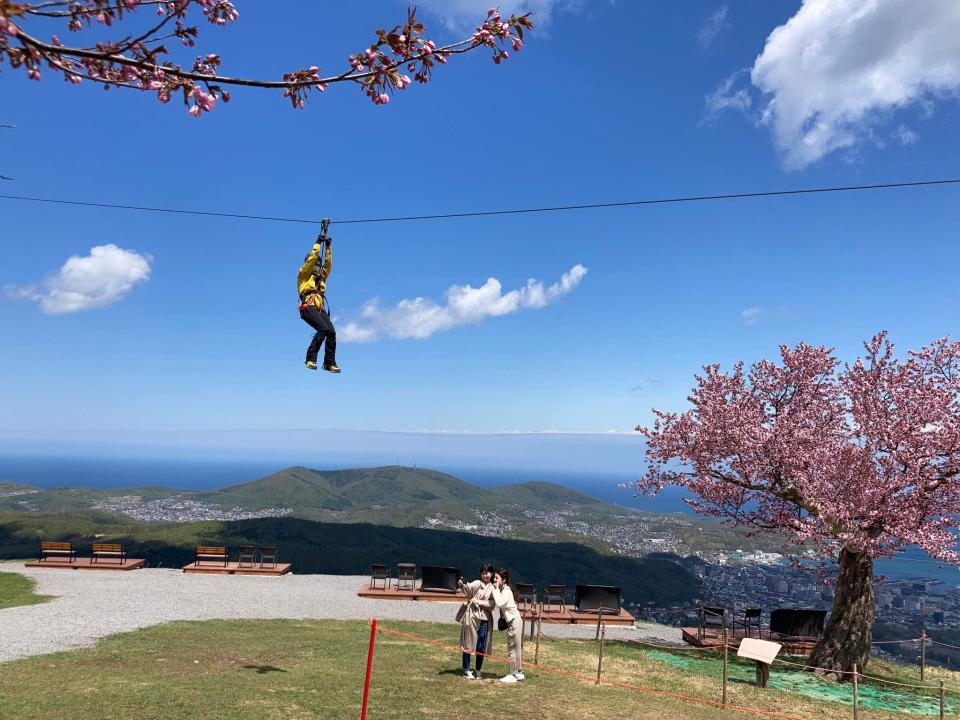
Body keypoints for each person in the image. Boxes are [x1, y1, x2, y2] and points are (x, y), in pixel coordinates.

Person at [298, 227, 340, 373]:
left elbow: (328, 265)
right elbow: (311, 260)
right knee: (323, 329)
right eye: (315, 264)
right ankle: (310, 358)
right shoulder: (304, 275)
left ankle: (329, 363)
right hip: (307, 308)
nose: (316, 267)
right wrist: (317, 243)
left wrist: (328, 247)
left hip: (318, 308)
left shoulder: (321, 277)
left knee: (331, 332)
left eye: (318, 265)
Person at [458, 563, 495, 680]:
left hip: (484, 618)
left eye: (487, 573)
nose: (485, 575)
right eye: (483, 573)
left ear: (492, 574)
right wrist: (463, 585)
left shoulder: (493, 588)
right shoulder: (477, 583)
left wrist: (479, 602)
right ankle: (467, 669)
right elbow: (468, 589)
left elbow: (492, 605)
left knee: (481, 645)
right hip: (472, 616)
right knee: (468, 642)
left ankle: (478, 669)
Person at [491, 568, 524, 683]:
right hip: (516, 621)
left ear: (503, 580)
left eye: (497, 578)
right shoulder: (503, 590)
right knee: (517, 648)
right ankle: (519, 672)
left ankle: (513, 674)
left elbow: (499, 603)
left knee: (512, 647)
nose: (494, 579)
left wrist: (494, 589)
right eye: (494, 577)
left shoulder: (506, 591)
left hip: (514, 622)